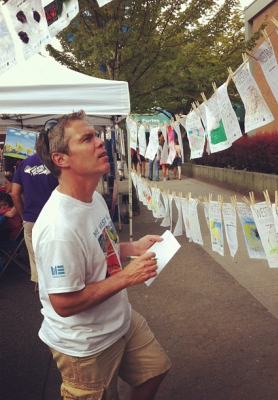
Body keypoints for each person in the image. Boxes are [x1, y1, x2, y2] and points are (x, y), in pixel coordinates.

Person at [32, 111, 171, 399]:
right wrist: (127, 277)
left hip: (120, 320)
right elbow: (64, 303)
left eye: (96, 135)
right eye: (87, 138)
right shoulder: (58, 227)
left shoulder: (93, 196)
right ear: (62, 159)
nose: (99, 142)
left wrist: (131, 248)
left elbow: (99, 251)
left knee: (155, 369)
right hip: (86, 345)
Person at [11, 153, 58, 286]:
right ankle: (58, 283)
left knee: (35, 255)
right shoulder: (55, 161)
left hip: (31, 218)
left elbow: (15, 194)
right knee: (56, 251)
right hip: (54, 217)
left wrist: (22, 215)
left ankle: (40, 283)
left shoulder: (24, 164)